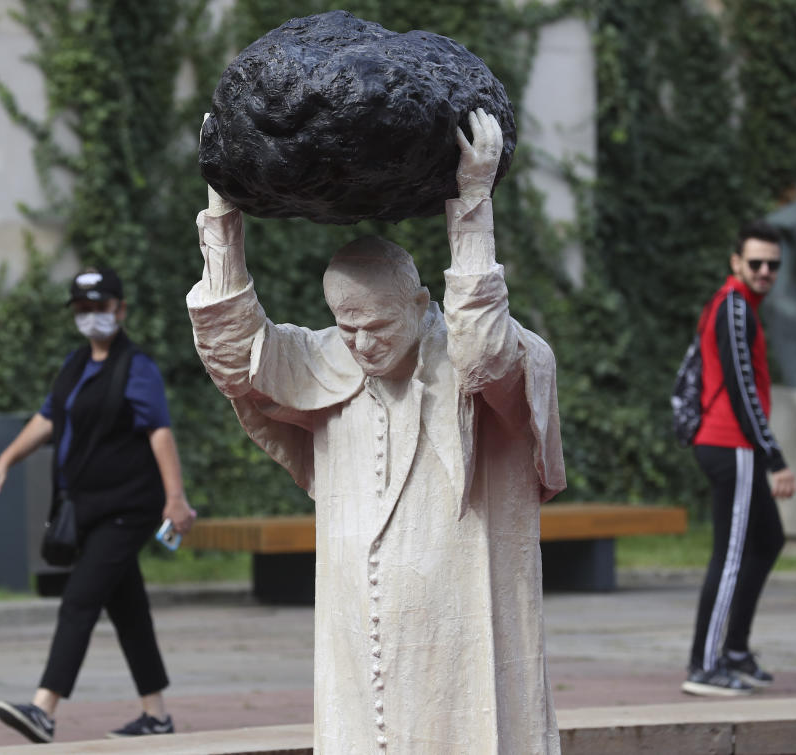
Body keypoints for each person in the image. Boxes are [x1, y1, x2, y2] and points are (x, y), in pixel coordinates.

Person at [187, 109, 566, 753]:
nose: (360, 342)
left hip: (458, 634)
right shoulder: (329, 357)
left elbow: (484, 354)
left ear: (422, 305)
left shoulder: (508, 355)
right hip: (359, 637)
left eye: (377, 326)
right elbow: (235, 355)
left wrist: (471, 207)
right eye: (346, 323)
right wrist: (224, 216)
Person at [0, 266, 196, 743]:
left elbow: (159, 432)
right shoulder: (75, 365)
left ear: (120, 309)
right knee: (128, 608)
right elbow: (45, 421)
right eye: (82, 309)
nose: (91, 316)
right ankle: (156, 715)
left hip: (128, 507)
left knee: (79, 599)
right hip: (88, 507)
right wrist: (5, 461)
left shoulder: (135, 366)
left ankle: (43, 709)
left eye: (99, 307)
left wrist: (175, 499)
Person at [682, 221, 796, 697]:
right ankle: (704, 666)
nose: (765, 271)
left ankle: (734, 651)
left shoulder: (741, 305)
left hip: (734, 444)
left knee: (768, 539)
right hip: (731, 445)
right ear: (737, 263)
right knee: (729, 558)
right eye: (756, 263)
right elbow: (741, 387)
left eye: (773, 264)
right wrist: (775, 457)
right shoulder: (734, 306)